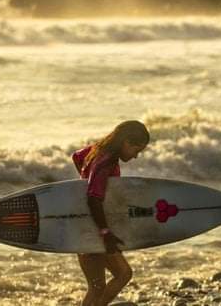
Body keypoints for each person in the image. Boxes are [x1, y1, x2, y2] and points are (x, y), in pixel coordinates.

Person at [71, 120, 150, 306]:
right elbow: (93, 198)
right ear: (126, 143)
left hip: (84, 226)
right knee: (123, 274)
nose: (136, 156)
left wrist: (85, 178)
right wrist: (105, 233)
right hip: (95, 229)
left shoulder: (96, 151)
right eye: (136, 150)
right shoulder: (106, 161)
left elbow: (77, 157)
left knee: (96, 287)